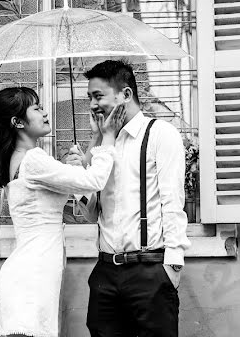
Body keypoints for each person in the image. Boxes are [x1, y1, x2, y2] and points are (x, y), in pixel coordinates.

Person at [0, 86, 123, 337]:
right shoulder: (34, 159)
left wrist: (94, 138)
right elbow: (94, 181)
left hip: (31, 271)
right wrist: (108, 137)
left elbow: (78, 178)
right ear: (18, 122)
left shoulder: (22, 158)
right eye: (37, 108)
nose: (45, 113)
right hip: (33, 275)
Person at [69, 59, 190, 337]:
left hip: (149, 270)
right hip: (105, 272)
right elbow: (89, 215)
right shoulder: (100, 142)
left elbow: (173, 202)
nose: (92, 104)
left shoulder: (160, 134)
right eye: (89, 97)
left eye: (98, 96)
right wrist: (85, 160)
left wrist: (172, 265)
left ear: (125, 94)